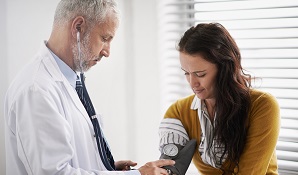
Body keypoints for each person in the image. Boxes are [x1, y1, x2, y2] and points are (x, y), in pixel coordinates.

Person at [4, 0, 174, 174]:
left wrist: (105, 167)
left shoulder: (71, 79)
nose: (107, 52)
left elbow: (71, 157)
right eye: (105, 39)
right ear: (78, 27)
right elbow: (55, 172)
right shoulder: (37, 90)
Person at [158, 23, 280, 174]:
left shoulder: (262, 105)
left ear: (225, 68)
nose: (192, 83)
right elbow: (170, 168)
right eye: (186, 73)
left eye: (200, 74)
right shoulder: (178, 111)